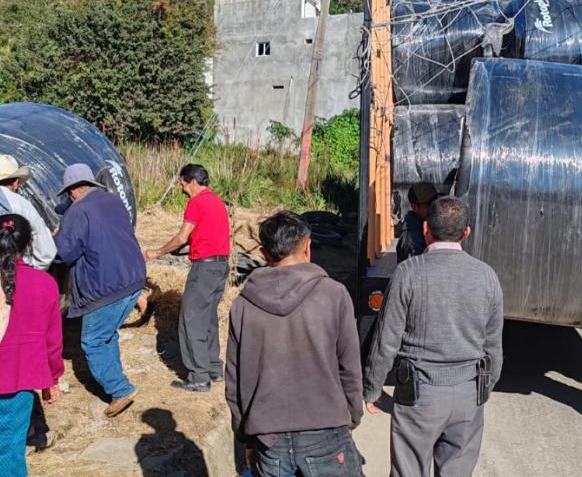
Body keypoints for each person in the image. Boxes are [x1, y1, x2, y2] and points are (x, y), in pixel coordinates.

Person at [364, 196, 504, 477]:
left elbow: (386, 339)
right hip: (468, 392)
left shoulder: (408, 273)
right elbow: (493, 346)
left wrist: (373, 388)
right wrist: (483, 389)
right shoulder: (487, 276)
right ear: (467, 233)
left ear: (426, 228)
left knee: (409, 470)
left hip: (419, 393)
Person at [225, 211, 363, 476]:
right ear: (308, 246)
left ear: (264, 254)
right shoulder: (333, 294)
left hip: (268, 439)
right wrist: (351, 416)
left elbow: (235, 380)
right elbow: (350, 367)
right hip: (325, 429)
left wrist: (246, 436)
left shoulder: (242, 306)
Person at [54, 163, 145, 418]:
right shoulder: (112, 201)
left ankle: (120, 389)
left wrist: (56, 236)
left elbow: (65, 253)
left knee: (92, 341)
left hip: (105, 287)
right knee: (107, 334)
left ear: (72, 190)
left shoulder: (76, 212)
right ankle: (117, 382)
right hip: (133, 278)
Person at [144, 164, 230, 392]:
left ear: (192, 181)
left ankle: (199, 376)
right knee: (208, 318)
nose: (182, 189)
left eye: (183, 184)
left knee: (190, 320)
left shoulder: (196, 202)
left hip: (204, 270)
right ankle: (213, 367)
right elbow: (204, 236)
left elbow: (182, 237)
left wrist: (156, 252)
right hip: (221, 266)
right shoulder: (217, 202)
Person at [0, 215, 63, 476]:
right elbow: (52, 342)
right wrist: (52, 380)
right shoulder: (45, 284)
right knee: (10, 451)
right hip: (18, 380)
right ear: (28, 245)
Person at [0, 155, 57, 269]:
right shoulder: (21, 204)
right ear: (16, 182)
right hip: (13, 271)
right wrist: (30, 270)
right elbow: (46, 252)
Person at [396, 182, 438, 263]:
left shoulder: (427, 223)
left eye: (435, 201)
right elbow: (413, 270)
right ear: (414, 206)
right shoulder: (412, 237)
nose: (433, 207)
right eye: (428, 204)